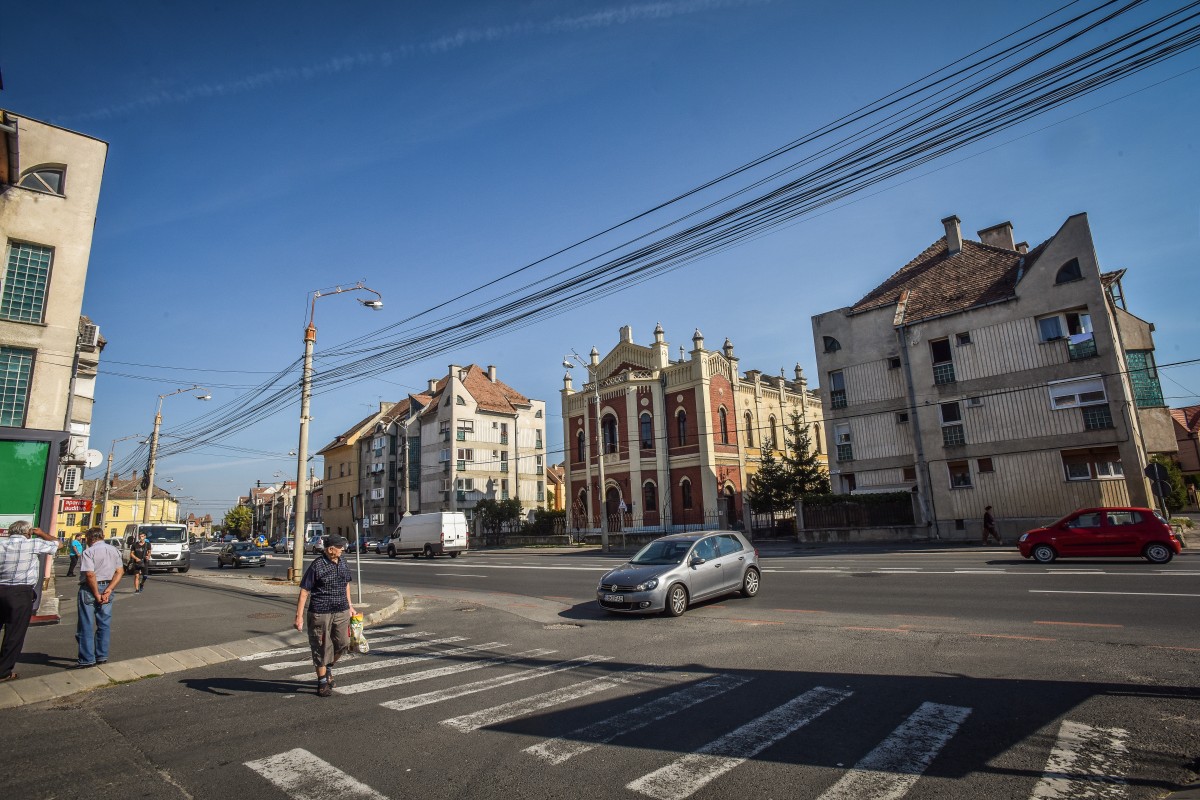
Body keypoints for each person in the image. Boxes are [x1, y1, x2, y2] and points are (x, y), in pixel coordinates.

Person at [294, 534, 355, 697]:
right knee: (321, 647)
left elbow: (346, 584)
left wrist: (350, 606)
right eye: (340, 547)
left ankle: (328, 667)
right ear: (330, 549)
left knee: (343, 643)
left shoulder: (343, 562)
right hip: (320, 612)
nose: (343, 549)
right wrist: (299, 617)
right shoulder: (317, 565)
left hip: (341, 610)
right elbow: (304, 591)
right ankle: (322, 683)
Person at [0, 521, 60, 682]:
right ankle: (3, 671)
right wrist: (41, 533)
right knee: (14, 633)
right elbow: (58, 544)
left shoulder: (1, 544)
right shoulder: (34, 543)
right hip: (20, 593)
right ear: (28, 533)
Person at [76, 527, 123, 668]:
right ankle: (102, 655)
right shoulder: (114, 550)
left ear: (89, 538)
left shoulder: (89, 552)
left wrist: (96, 593)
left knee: (86, 624)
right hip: (108, 586)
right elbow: (120, 572)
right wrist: (109, 589)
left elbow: (90, 574)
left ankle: (87, 659)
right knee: (104, 623)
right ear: (102, 536)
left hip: (90, 589)